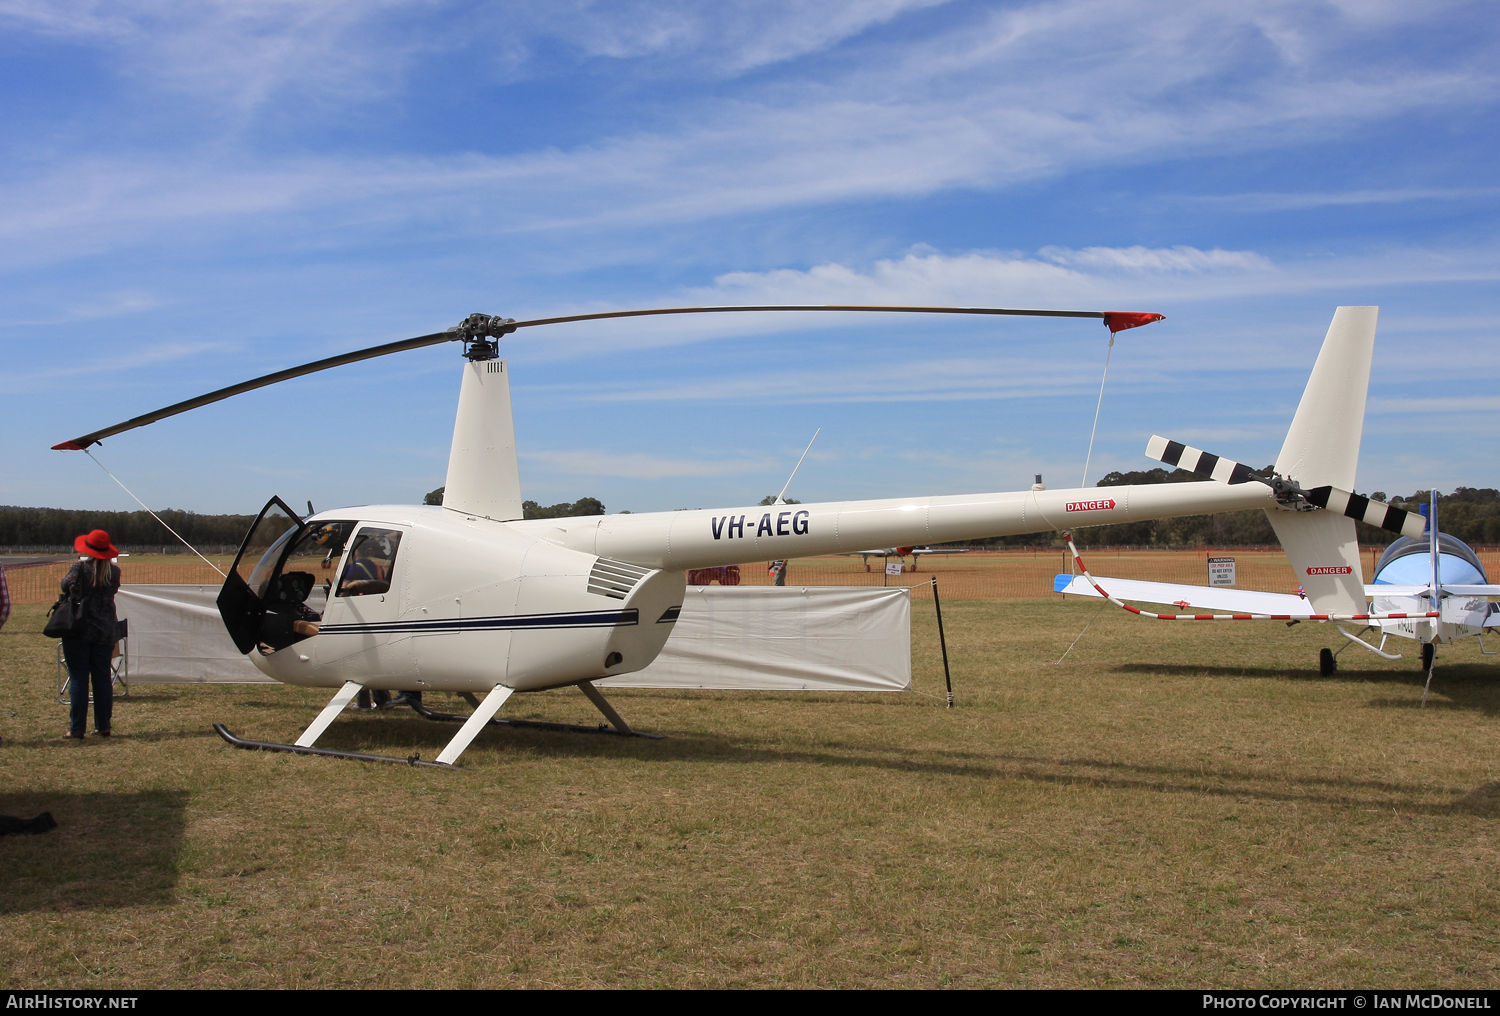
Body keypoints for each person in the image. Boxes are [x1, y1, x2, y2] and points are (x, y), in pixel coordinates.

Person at [60, 530, 122, 739]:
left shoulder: (80, 568)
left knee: (78, 679)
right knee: (102, 679)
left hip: (79, 630)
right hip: (105, 631)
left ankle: (77, 728)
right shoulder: (114, 572)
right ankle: (103, 726)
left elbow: (65, 584)